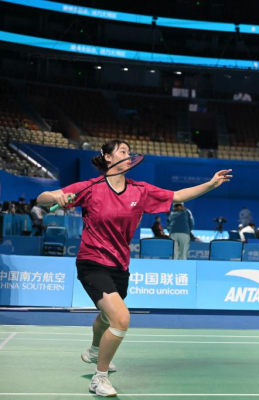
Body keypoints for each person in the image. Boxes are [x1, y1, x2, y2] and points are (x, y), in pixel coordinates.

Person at [36, 139, 232, 397]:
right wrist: (56, 197)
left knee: (106, 316)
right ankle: (99, 377)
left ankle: (95, 350)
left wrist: (210, 184)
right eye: (123, 151)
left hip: (120, 264)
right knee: (121, 319)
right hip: (92, 261)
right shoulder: (90, 187)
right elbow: (42, 199)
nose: (129, 155)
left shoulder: (140, 191)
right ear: (107, 157)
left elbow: (177, 196)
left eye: (129, 152)